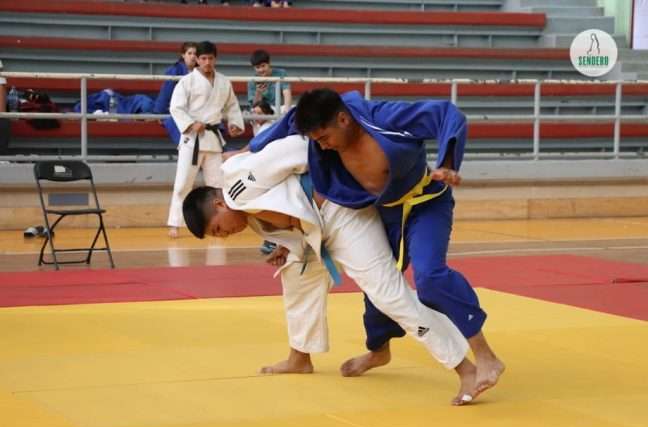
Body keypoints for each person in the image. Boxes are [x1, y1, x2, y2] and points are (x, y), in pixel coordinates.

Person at [183, 135, 482, 405]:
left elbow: (298, 148)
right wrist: (287, 244)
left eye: (218, 229)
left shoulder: (239, 183)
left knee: (389, 295)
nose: (224, 236)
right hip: (319, 232)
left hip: (342, 215)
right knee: (296, 274)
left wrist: (336, 185)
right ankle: (300, 357)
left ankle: (465, 367)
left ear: (219, 203)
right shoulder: (247, 215)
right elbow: (290, 210)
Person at [248, 89, 505, 397]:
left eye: (325, 137)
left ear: (343, 119)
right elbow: (290, 120)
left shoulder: (383, 118)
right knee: (379, 291)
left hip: (425, 205)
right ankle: (379, 351)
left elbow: (446, 114)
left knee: (429, 277)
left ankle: (486, 356)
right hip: (385, 213)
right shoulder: (322, 133)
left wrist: (448, 162)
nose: (322, 146)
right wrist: (250, 149)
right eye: (316, 140)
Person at [167, 41, 244, 238]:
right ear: (197, 60)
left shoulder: (224, 82)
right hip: (192, 140)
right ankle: (175, 222)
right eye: (203, 58)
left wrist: (234, 123)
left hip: (212, 139)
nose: (207, 62)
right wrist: (191, 124)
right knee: (183, 183)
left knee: (217, 184)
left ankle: (217, 221)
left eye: (210, 58)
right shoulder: (187, 81)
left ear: (215, 59)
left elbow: (232, 106)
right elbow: (175, 107)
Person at [154, 41, 197, 150]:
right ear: (183, 55)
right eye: (189, 53)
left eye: (195, 54)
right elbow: (166, 92)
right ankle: (188, 149)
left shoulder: (202, 72)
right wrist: (159, 113)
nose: (193, 56)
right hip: (177, 109)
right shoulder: (174, 70)